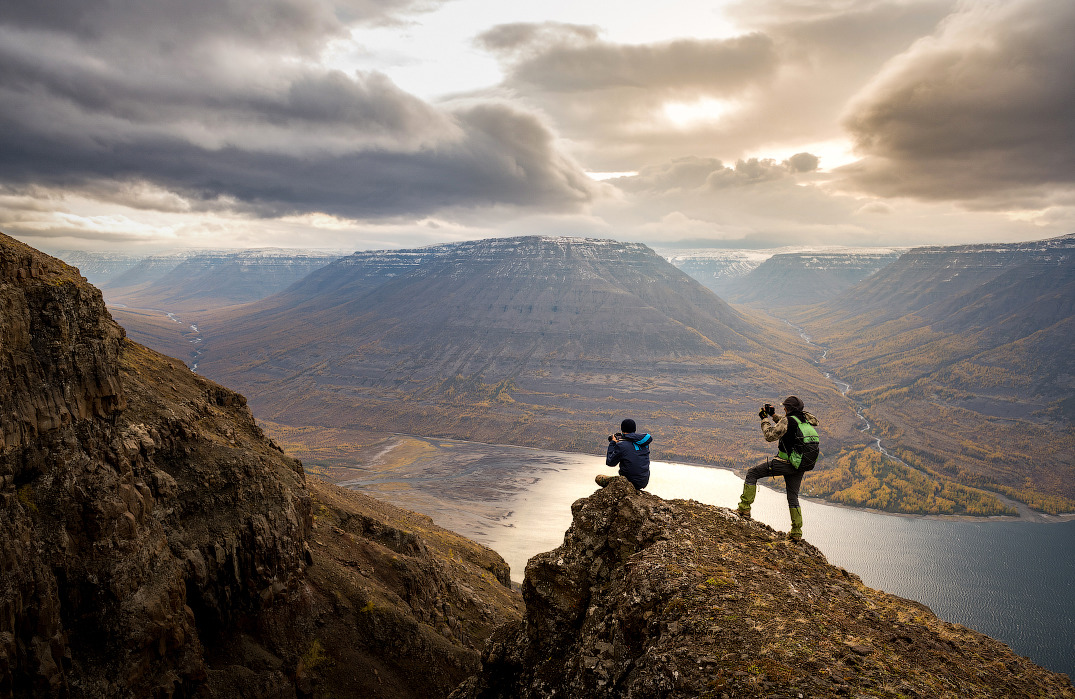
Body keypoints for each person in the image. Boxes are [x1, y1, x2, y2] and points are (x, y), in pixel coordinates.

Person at [736, 396, 820, 540]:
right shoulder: (805, 419)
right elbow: (787, 424)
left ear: (788, 409)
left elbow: (769, 436)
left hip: (784, 463)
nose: (784, 409)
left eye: (785, 408)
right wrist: (774, 415)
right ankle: (796, 532)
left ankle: (744, 509)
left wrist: (764, 419)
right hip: (799, 465)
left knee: (752, 473)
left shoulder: (788, 421)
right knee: (793, 497)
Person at [596, 419, 652, 490]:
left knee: (599, 478)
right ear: (634, 429)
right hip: (643, 482)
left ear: (622, 429)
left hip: (628, 482)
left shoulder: (621, 446)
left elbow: (610, 462)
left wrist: (613, 443)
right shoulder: (644, 444)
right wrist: (626, 438)